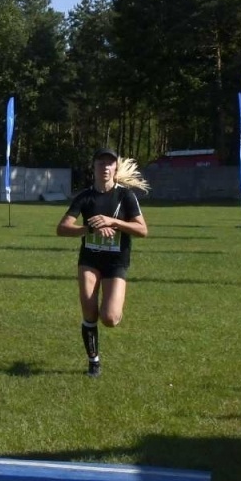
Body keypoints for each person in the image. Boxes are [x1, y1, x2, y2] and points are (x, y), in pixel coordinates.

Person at [56, 147, 148, 378]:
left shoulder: (126, 196)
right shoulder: (85, 196)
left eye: (109, 163)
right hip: (89, 259)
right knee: (89, 312)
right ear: (94, 167)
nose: (105, 167)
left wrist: (113, 222)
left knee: (109, 318)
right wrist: (88, 228)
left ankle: (113, 307)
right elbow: (62, 228)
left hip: (116, 261)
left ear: (115, 168)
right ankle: (93, 361)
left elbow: (142, 230)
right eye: (100, 163)